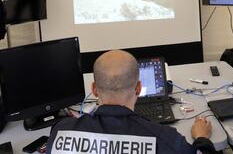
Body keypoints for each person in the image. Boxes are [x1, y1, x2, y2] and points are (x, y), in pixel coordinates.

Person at [46, 50, 217, 154]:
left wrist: (80, 123)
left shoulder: (61, 131)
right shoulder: (166, 139)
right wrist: (201, 137)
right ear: (138, 88)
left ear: (94, 89)